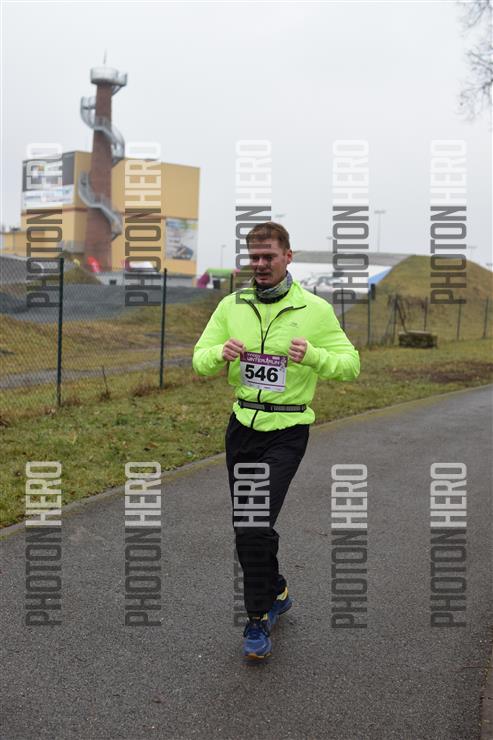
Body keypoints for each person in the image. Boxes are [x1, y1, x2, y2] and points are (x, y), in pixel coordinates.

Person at [192, 222, 360, 660]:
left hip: (288, 430)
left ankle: (256, 617)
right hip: (242, 427)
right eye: (255, 257)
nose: (261, 264)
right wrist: (220, 354)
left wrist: (315, 356)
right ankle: (277, 588)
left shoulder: (315, 310)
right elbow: (199, 360)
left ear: (288, 256)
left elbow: (351, 364)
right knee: (251, 526)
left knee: (252, 523)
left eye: (269, 256)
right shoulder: (232, 305)